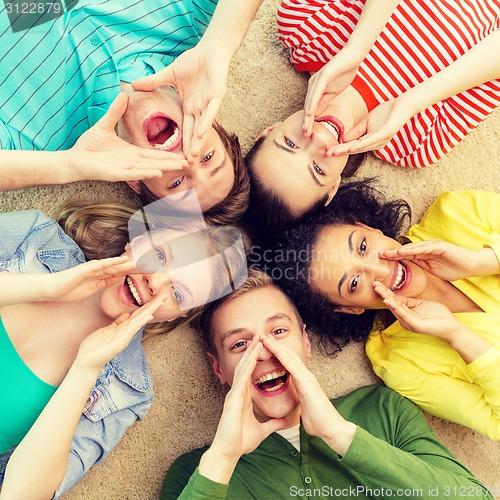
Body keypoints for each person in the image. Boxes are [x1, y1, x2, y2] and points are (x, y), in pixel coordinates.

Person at [160, 269, 492, 498]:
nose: (263, 353)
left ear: (305, 342)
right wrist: (223, 459)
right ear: (219, 369)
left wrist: (341, 435)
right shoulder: (197, 472)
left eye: (278, 333)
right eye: (240, 345)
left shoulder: (383, 410)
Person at [0, 199, 247, 498]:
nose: (155, 281)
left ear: (177, 315)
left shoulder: (127, 392)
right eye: (159, 255)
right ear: (139, 238)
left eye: (179, 293)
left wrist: (85, 369)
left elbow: (20, 494)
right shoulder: (34, 236)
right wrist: (47, 288)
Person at [261, 181, 500, 439]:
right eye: (354, 283)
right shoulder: (399, 364)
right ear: (350, 308)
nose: (382, 270)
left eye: (363, 247)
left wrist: (481, 262)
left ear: (368, 227)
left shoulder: (457, 212)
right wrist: (458, 335)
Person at [243, 0, 500, 238]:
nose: (319, 140)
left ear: (269, 130)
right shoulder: (417, 145)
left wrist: (357, 47)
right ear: (333, 188)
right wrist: (413, 102)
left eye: (290, 144)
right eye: (318, 170)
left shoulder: (303, 28)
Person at [0, 0, 258, 224]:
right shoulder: (190, 28)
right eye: (208, 157)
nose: (187, 161)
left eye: (178, 184)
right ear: (213, 122)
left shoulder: (36, 140)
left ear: (137, 182)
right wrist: (220, 45)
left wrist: (69, 166)